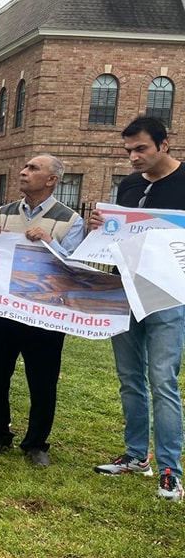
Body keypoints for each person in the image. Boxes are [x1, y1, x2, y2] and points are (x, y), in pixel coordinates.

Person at [90, 116, 185, 502]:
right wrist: (101, 224)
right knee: (129, 377)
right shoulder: (128, 185)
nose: (133, 156)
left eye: (141, 148)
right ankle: (135, 456)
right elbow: (118, 234)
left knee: (162, 380)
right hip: (124, 288)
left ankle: (169, 471)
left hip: (166, 294)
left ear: (164, 144)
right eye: (128, 150)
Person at [0, 154, 84, 466]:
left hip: (45, 315)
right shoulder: (2, 213)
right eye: (24, 166)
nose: (23, 172)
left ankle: (36, 444)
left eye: (33, 168)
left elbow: (75, 269)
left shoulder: (69, 221)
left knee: (42, 380)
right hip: (3, 311)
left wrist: (51, 242)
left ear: (52, 180)